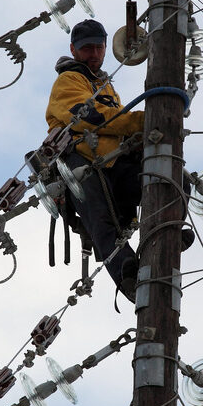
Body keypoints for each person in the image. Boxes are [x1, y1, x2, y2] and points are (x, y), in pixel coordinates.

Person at [45, 19, 144, 302]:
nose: (93, 54)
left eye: (98, 48)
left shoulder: (105, 86)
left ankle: (170, 230)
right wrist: (139, 121)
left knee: (166, 180)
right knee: (101, 221)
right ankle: (129, 277)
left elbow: (116, 123)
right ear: (74, 50)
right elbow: (90, 116)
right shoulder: (69, 80)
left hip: (115, 163)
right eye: (86, 49)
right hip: (82, 163)